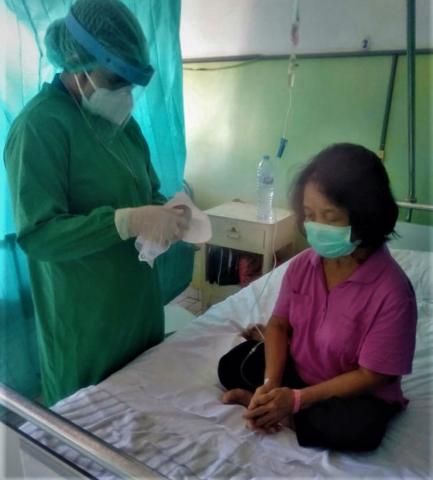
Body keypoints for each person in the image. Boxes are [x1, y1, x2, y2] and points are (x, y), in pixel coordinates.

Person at [4, 0, 190, 406]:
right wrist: (123, 222)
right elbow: (39, 236)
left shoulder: (122, 124)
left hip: (138, 308)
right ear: (77, 62)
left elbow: (148, 192)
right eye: (114, 77)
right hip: (85, 322)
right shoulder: (39, 127)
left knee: (145, 415)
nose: (123, 92)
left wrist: (168, 213)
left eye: (130, 81)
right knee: (88, 436)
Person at [218, 143, 417, 451]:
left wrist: (296, 400)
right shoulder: (303, 265)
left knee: (358, 430)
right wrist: (271, 385)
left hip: (354, 390)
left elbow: (372, 375)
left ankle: (283, 413)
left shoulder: (392, 292)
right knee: (231, 365)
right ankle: (273, 403)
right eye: (310, 215)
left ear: (365, 216)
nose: (317, 227)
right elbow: (279, 325)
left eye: (330, 216)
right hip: (302, 369)